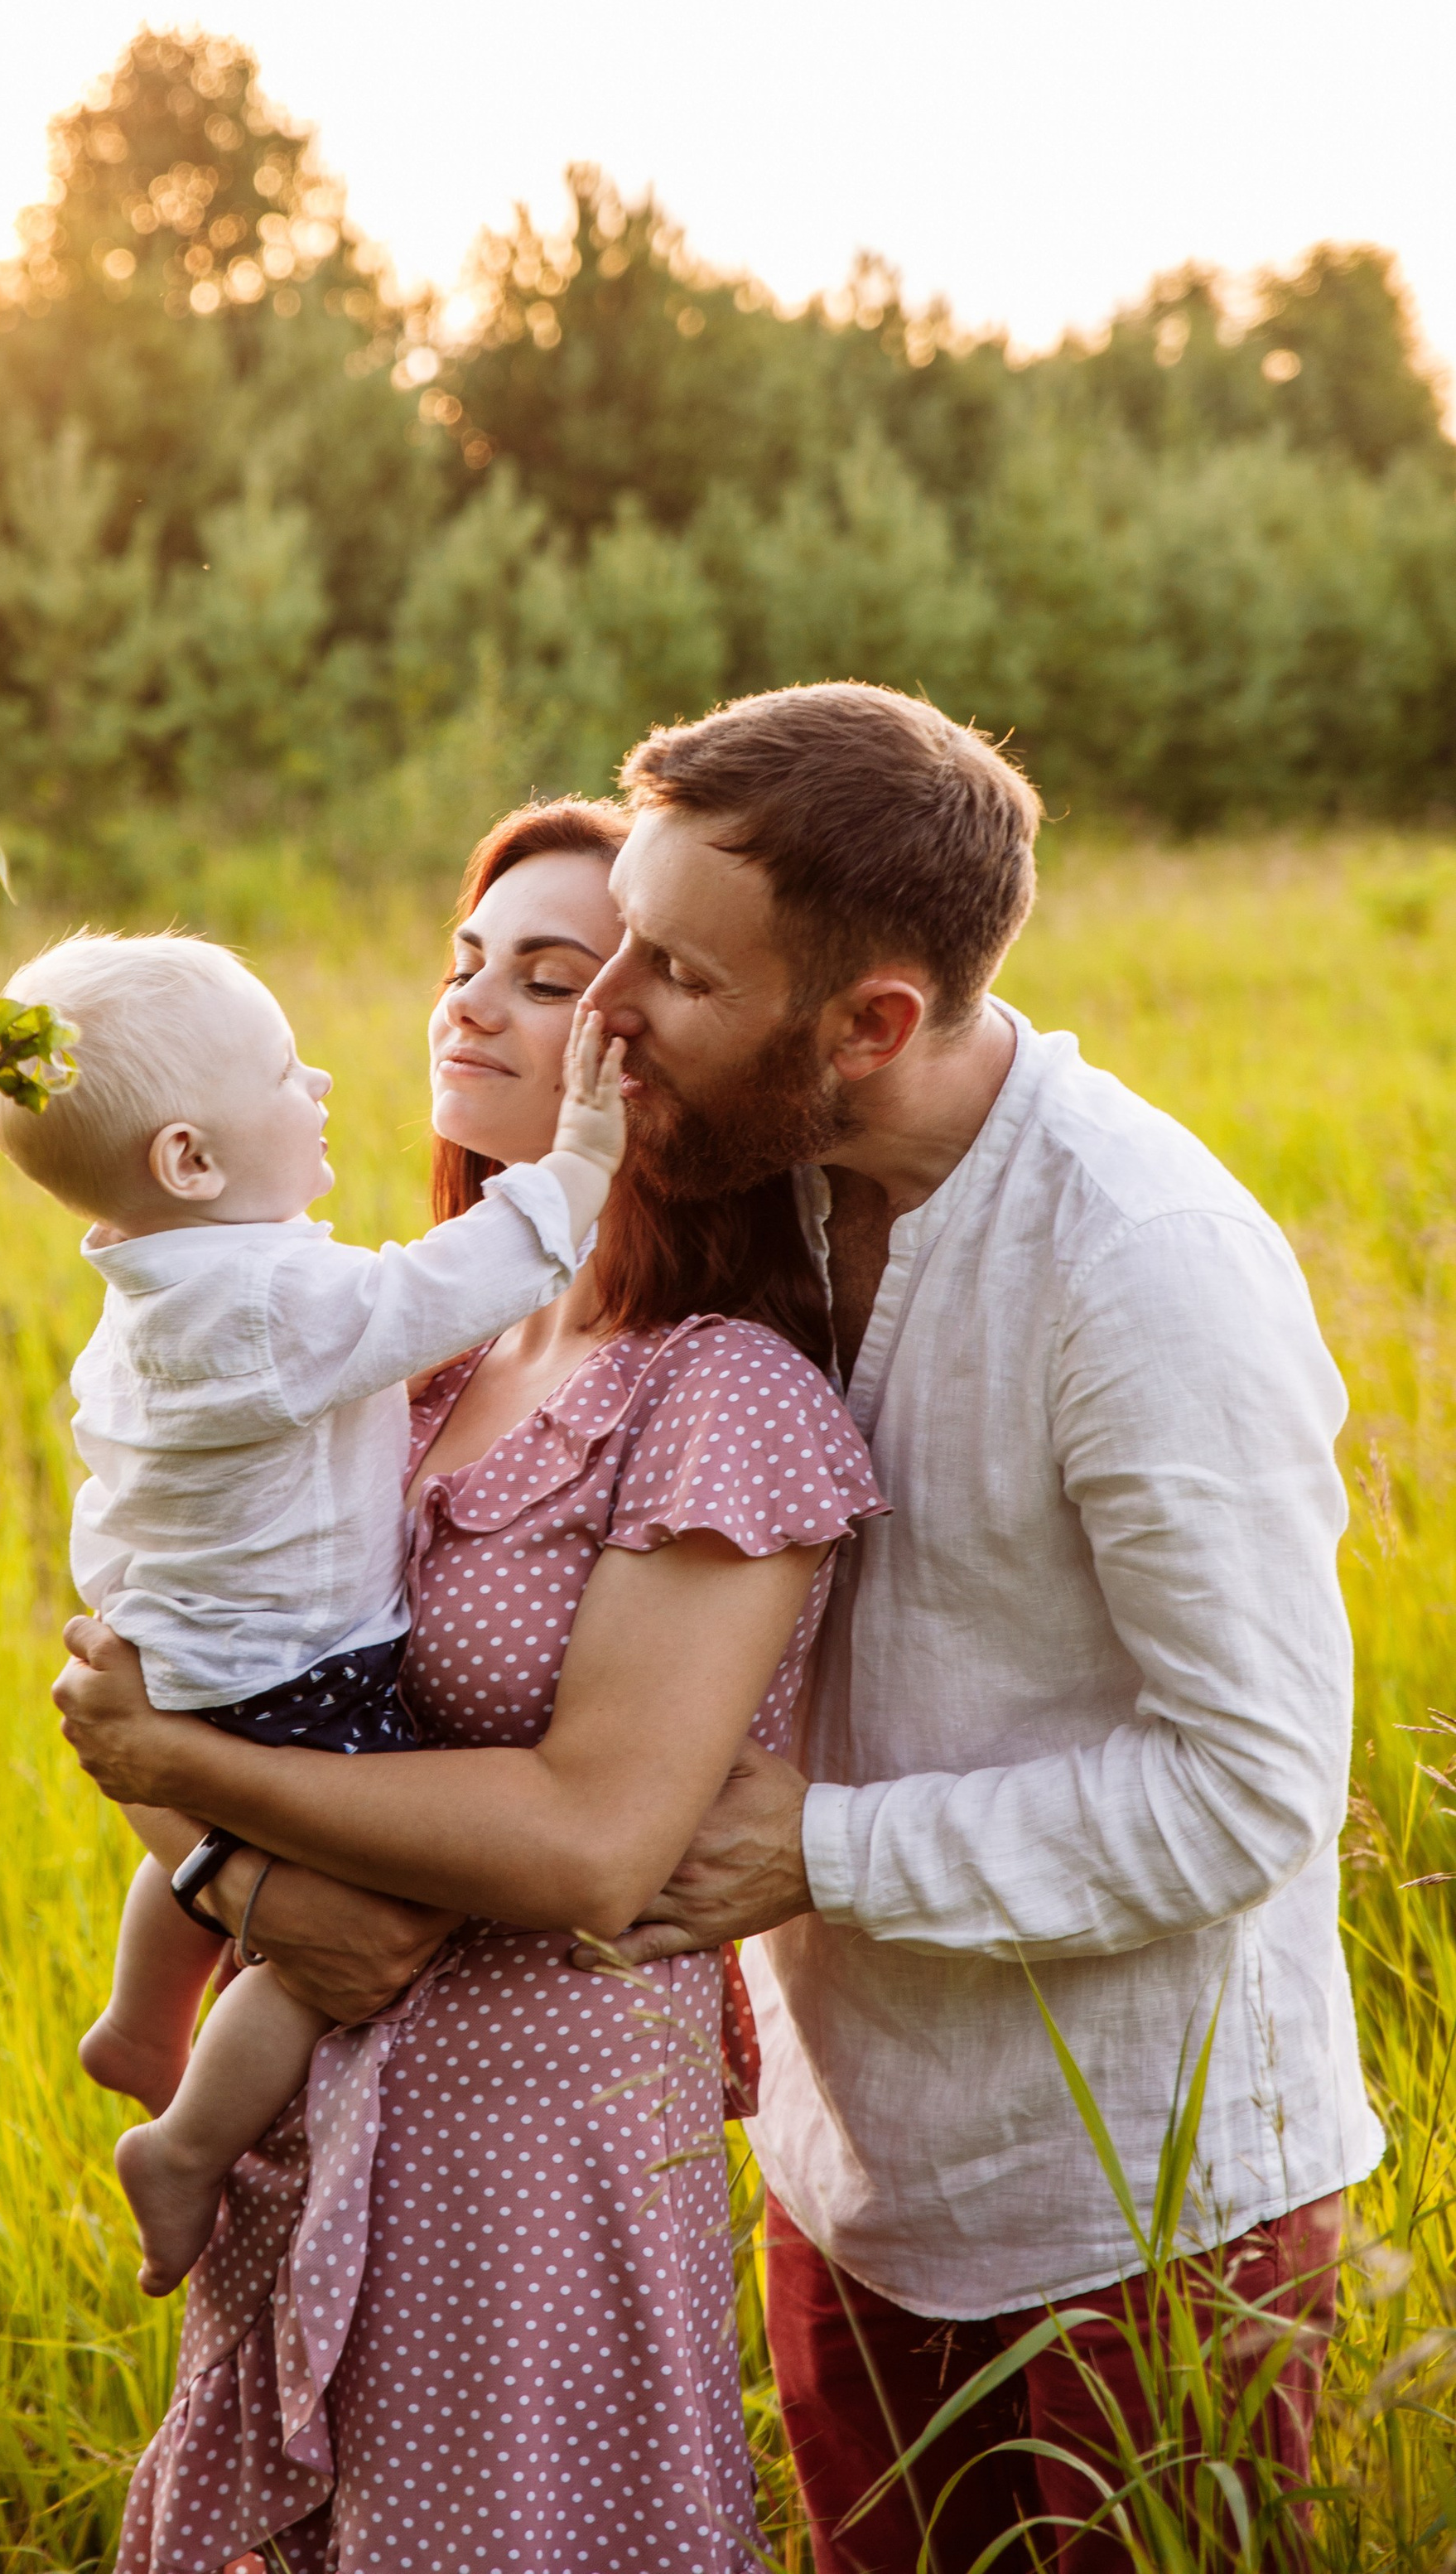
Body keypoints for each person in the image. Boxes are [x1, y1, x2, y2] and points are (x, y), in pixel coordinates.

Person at [564, 681, 1381, 2568]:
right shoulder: (767, 1193)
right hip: (847, 2182)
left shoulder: (1138, 1263)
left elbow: (1246, 1791)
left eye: (677, 974)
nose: (610, 1009)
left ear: (871, 1023)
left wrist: (818, 1850)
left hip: (1140, 2217)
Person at [54, 800, 888, 2574]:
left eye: (546, 979)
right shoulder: (394, 1358)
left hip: (528, 2165)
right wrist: (240, 1879)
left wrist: (172, 1772)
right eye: (461, 960)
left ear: (642, 1057)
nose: (468, 1005)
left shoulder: (711, 1395)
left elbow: (589, 1850)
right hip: (305, 2119)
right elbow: (128, 1690)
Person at [0, 928, 628, 2296]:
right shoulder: (272, 1300)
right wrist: (578, 1164)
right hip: (295, 1674)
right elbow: (437, 1290)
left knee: (202, 1848)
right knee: (339, 1938)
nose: (321, 1082)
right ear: (191, 1163)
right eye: (284, 1074)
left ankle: (139, 2019)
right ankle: (188, 2142)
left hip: (182, 1655)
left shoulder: (154, 1288)